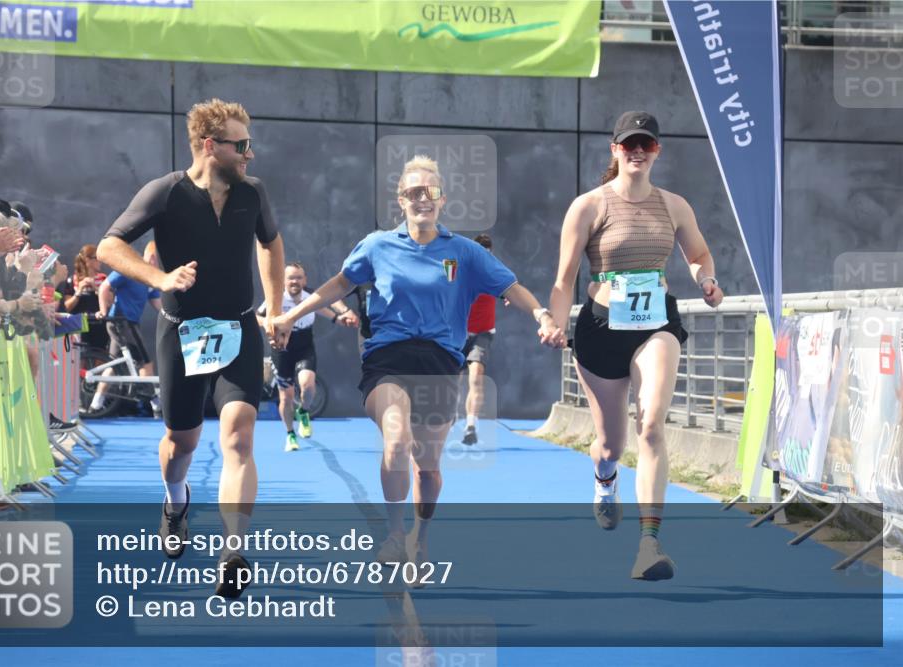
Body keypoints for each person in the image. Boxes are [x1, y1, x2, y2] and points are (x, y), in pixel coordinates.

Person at [272, 155, 563, 566]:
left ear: (442, 199)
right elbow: (339, 284)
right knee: (397, 439)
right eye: (413, 192)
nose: (422, 199)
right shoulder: (378, 245)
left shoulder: (463, 251)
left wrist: (542, 315)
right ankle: (394, 535)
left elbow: (511, 286)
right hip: (387, 359)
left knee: (427, 469)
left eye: (430, 192)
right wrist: (290, 316)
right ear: (401, 200)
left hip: (440, 364)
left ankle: (419, 538)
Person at [97, 98, 285, 599]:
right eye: (240, 145)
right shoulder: (165, 191)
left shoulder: (253, 193)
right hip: (183, 334)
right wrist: (159, 278)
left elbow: (271, 243)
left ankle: (233, 551)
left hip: (239, 329)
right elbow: (109, 246)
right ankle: (175, 500)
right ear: (209, 146)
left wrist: (273, 308)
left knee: (239, 436)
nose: (249, 153)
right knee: (182, 443)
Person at [548, 111, 724, 581]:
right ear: (615, 150)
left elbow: (699, 253)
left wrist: (706, 279)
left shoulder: (675, 205)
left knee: (650, 425)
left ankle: (649, 544)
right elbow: (564, 280)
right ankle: (605, 477)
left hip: (656, 324)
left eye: (646, 144)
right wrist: (555, 323)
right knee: (611, 443)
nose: (638, 151)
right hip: (601, 326)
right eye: (629, 144)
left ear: (657, 151)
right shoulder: (588, 206)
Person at [256, 262, 357, 451]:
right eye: (291, 278)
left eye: (298, 278)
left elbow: (321, 306)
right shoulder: (276, 298)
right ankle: (290, 434)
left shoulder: (310, 295)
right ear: (283, 281)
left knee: (308, 386)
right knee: (286, 397)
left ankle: (303, 410)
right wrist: (269, 323)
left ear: (305, 280)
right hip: (282, 349)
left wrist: (337, 318)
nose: (295, 282)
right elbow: (256, 317)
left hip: (304, 346)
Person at [85, 241, 162, 417]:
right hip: (122, 322)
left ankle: (95, 405)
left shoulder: (149, 277)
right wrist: (103, 311)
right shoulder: (129, 269)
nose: (159, 266)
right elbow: (105, 287)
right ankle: (155, 404)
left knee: (114, 364)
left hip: (127, 323)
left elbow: (158, 303)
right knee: (145, 363)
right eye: (159, 261)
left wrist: (173, 317)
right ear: (152, 258)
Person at [460, 234, 498, 446]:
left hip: (483, 334)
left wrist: (508, 296)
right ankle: (444, 421)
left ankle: (470, 426)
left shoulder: (495, 271)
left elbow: (509, 288)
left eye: (487, 252)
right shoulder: (460, 270)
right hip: (457, 334)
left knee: (476, 377)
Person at [58, 244, 109, 350]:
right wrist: (79, 291)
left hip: (99, 324)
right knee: (79, 355)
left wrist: (96, 289)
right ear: (87, 260)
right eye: (97, 258)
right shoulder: (72, 281)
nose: (100, 262)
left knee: (100, 354)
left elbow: (109, 303)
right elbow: (67, 307)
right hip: (78, 324)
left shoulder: (103, 279)